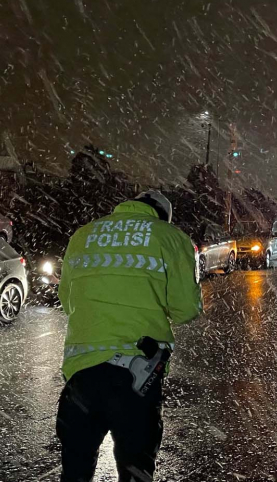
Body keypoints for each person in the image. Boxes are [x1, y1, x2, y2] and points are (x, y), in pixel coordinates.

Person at [55, 190, 202, 482]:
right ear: (161, 215)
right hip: (137, 378)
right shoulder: (170, 237)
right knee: (135, 469)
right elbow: (186, 309)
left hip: (81, 378)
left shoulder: (83, 235)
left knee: (75, 470)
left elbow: (66, 300)